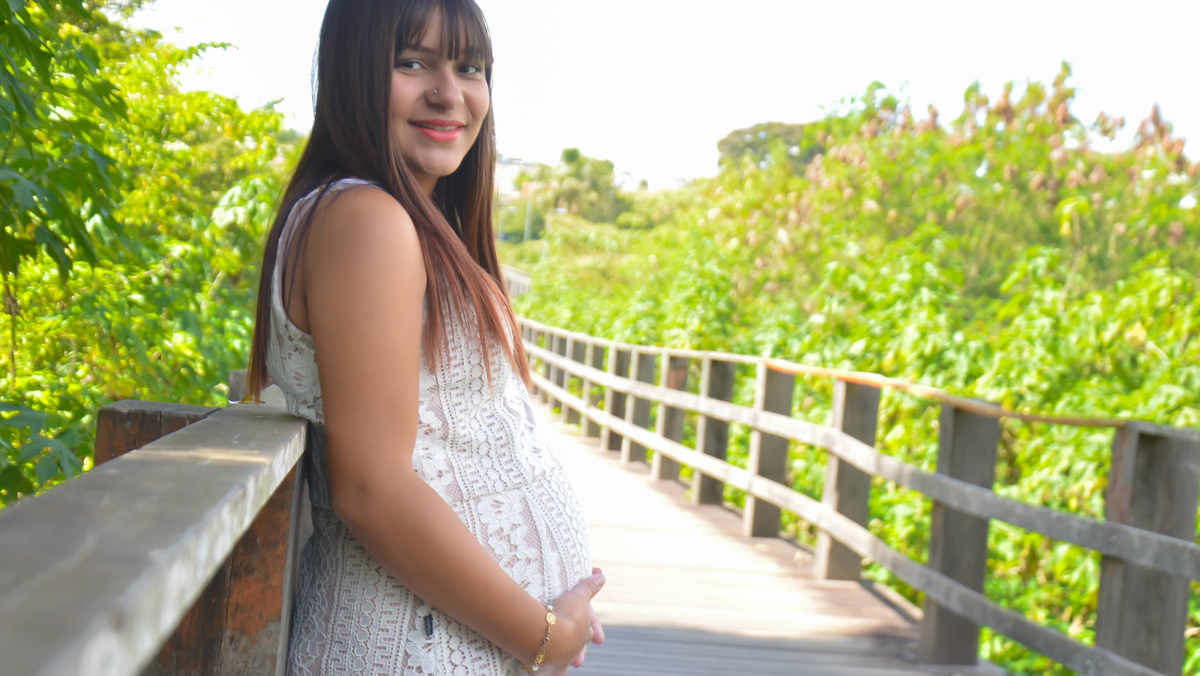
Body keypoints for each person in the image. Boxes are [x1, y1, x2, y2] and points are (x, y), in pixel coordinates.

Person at [244, 1, 603, 674]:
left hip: (443, 641)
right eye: (412, 63)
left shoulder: (398, 218)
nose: (450, 93)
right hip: (412, 645)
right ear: (351, 75)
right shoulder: (366, 219)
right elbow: (372, 488)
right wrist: (545, 634)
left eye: (470, 67)